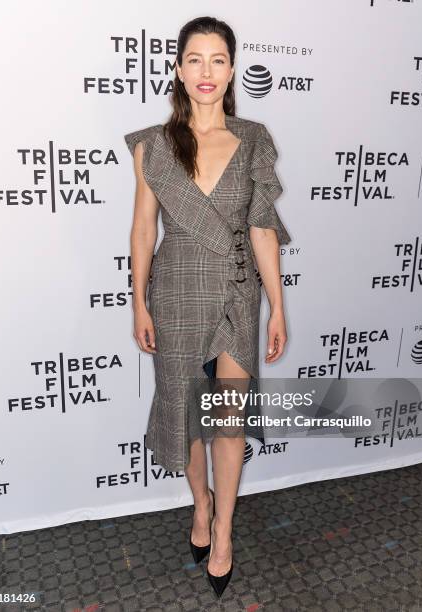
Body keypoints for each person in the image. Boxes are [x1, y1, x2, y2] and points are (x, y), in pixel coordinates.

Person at [124, 16, 291, 598]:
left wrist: (277, 305)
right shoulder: (152, 145)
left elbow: (263, 229)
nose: (206, 72)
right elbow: (144, 230)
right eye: (195, 59)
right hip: (174, 294)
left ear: (232, 70)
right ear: (177, 68)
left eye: (218, 60)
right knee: (189, 423)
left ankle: (223, 532)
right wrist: (138, 302)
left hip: (236, 294)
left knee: (227, 422)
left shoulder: (254, 139)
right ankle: (201, 504)